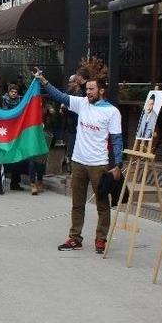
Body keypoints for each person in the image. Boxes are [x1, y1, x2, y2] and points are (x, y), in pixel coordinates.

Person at [34, 70, 122, 254]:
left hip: (99, 164)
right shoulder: (82, 104)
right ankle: (75, 238)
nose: (88, 92)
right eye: (87, 89)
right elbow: (60, 96)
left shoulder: (112, 112)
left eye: (92, 89)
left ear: (102, 91)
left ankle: (101, 239)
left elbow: (116, 139)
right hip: (78, 162)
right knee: (77, 203)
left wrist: (118, 165)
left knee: (102, 204)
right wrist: (43, 80)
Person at [0, 84, 26, 192]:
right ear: (8, 92)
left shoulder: (21, 102)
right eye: (12, 91)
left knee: (17, 158)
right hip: (5, 132)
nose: (14, 93)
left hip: (17, 133)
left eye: (15, 92)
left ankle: (15, 183)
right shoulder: (2, 101)